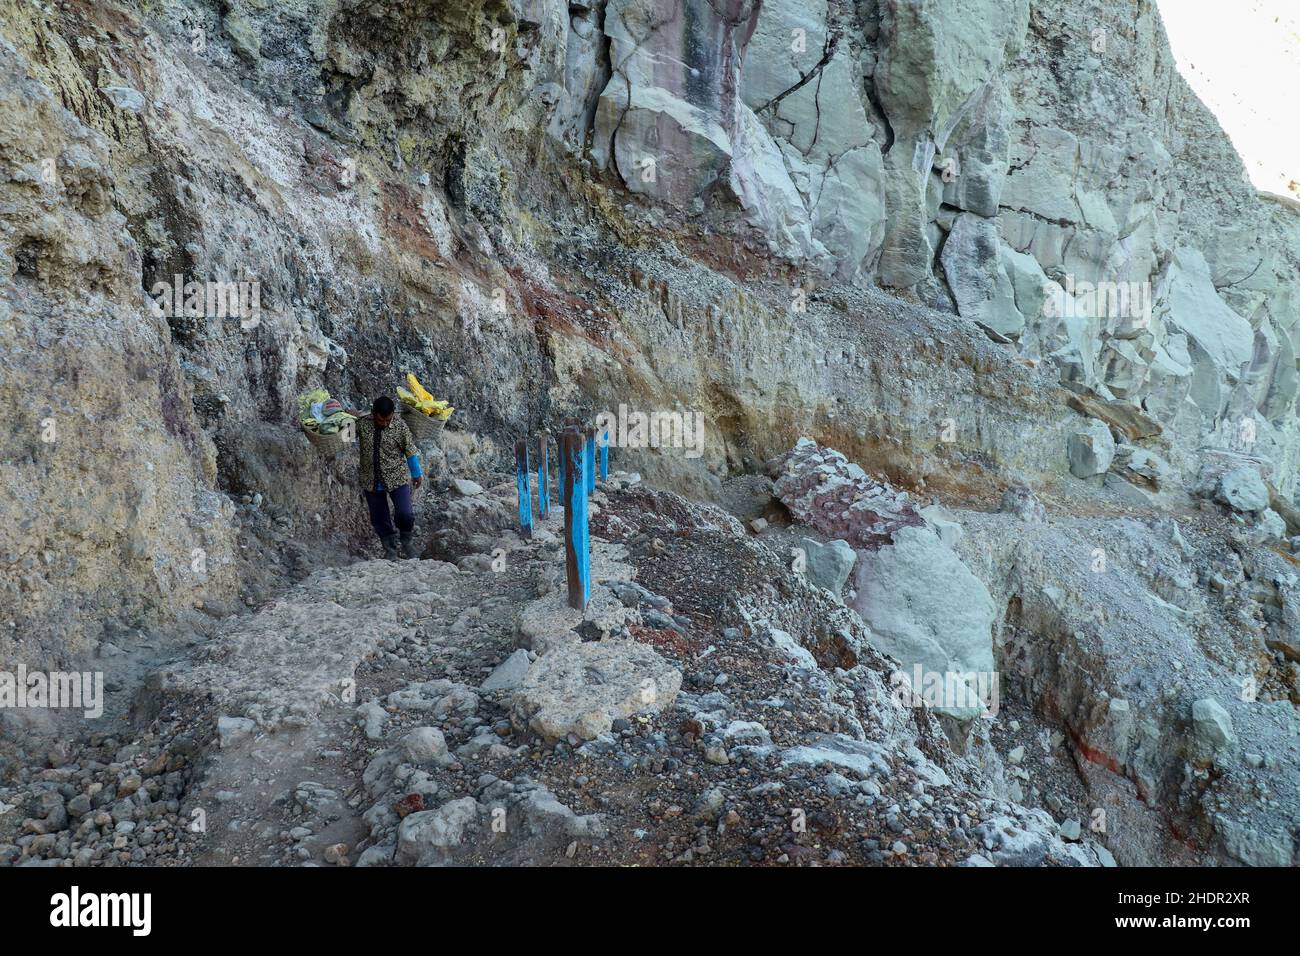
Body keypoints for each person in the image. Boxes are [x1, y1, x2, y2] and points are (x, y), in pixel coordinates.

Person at [353, 396, 423, 560]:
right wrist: (349, 418)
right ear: (373, 414)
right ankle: (390, 549)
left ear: (393, 415)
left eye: (388, 420)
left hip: (396, 477)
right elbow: (345, 438)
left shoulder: (400, 427)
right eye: (380, 420)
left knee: (405, 513)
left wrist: (416, 473)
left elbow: (410, 451)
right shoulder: (362, 425)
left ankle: (406, 542)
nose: (384, 423)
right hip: (371, 479)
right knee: (379, 518)